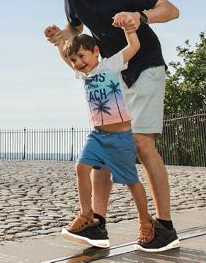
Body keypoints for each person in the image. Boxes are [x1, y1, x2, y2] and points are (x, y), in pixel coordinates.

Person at [45, 0, 180, 253]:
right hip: (111, 73)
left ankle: (165, 226)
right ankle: (96, 223)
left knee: (142, 142)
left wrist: (140, 17)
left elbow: (172, 11)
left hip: (144, 64)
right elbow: (74, 33)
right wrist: (58, 37)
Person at [48, 26, 155, 249]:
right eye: (74, 60)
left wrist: (129, 28)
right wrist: (60, 44)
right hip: (97, 136)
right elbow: (66, 59)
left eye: (81, 56)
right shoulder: (82, 73)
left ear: (95, 51)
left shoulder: (109, 65)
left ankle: (145, 220)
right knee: (81, 168)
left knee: (131, 182)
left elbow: (134, 46)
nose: (77, 62)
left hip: (120, 137)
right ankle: (87, 215)